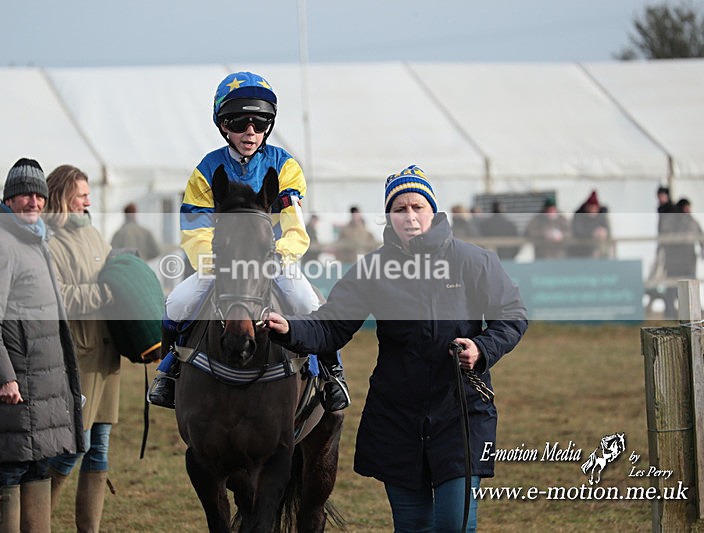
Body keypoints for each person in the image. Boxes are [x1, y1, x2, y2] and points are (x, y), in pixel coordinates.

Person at [264, 165, 528, 532]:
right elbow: (332, 324)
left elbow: (512, 315)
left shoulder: (474, 261)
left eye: (417, 206)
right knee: (412, 525)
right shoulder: (373, 268)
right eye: (399, 209)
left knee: (455, 524)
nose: (409, 216)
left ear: (432, 211)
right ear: (389, 216)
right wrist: (289, 328)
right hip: (397, 415)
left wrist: (482, 348)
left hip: (460, 411)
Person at [151, 71, 349, 412]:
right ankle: (168, 372)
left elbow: (295, 226)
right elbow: (196, 228)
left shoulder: (284, 166)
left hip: (273, 259)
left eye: (259, 124)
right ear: (223, 126)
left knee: (307, 304)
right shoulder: (206, 170)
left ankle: (331, 372)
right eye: (239, 123)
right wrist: (211, 260)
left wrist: (280, 256)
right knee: (177, 304)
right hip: (223, 260)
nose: (250, 132)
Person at [0, 158, 84, 532]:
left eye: (38, 195)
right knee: (11, 465)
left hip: (43, 383)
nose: (33, 202)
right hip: (18, 384)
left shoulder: (34, 240)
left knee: (37, 464)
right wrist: (4, 377)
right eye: (23, 195)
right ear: (8, 199)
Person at [44, 165, 120, 532]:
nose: (88, 200)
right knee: (74, 445)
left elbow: (113, 270)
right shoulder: (48, 241)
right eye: (81, 195)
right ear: (62, 197)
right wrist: (107, 294)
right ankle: (36, 519)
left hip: (106, 356)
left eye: (88, 194)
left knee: (99, 447)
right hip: (76, 356)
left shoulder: (93, 233)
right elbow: (59, 297)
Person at [662, 198, 704, 319]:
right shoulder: (670, 221)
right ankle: (669, 314)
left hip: (689, 261)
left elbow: (701, 237)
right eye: (685, 208)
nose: (687, 211)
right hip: (674, 261)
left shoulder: (692, 221)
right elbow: (665, 239)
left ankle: (695, 314)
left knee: (692, 287)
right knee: (672, 287)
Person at [568, 190, 611, 258]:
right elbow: (577, 231)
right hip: (581, 250)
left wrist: (603, 232)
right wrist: (592, 233)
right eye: (591, 207)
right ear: (587, 207)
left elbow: (608, 232)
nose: (592, 210)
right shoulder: (579, 216)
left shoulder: (602, 217)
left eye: (594, 208)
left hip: (599, 250)